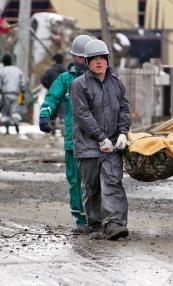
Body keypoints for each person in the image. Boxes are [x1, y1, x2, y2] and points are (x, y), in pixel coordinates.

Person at [70, 39, 130, 240]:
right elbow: (82, 114)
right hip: (88, 146)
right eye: (93, 59)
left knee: (113, 182)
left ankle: (115, 223)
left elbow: (124, 108)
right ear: (87, 62)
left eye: (101, 58)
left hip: (112, 144)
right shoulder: (79, 85)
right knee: (91, 186)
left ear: (107, 60)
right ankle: (95, 223)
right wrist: (100, 137)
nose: (98, 62)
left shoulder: (116, 83)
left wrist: (122, 132)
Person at [39, 35, 93, 234]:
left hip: (96, 139)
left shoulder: (100, 78)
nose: (82, 62)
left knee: (97, 180)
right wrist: (45, 114)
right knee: (74, 179)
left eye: (84, 58)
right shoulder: (65, 79)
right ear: (72, 56)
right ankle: (81, 218)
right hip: (73, 138)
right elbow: (52, 97)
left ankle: (99, 217)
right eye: (78, 57)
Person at [41, 53, 67, 135]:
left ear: (55, 60)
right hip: (63, 95)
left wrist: (49, 87)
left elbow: (43, 80)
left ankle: (52, 130)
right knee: (63, 111)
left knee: (52, 113)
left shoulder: (50, 70)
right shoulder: (67, 71)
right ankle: (63, 127)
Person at [0, 54, 25, 135]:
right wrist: (22, 91)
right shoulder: (17, 70)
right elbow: (22, 83)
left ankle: (7, 130)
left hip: (6, 94)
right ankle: (16, 123)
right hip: (16, 94)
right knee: (15, 111)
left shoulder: (2, 70)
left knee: (5, 112)